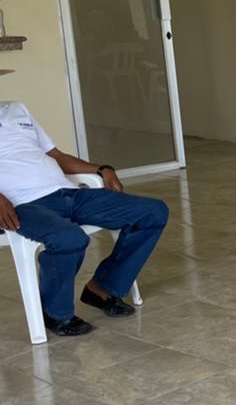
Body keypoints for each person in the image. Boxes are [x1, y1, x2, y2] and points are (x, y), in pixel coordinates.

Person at [0, 96, 169, 337]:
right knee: (69, 238)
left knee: (152, 212)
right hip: (22, 205)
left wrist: (101, 169)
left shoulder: (16, 109)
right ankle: (54, 312)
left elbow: (56, 156)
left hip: (67, 193)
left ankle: (103, 287)